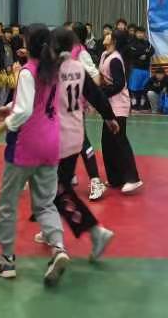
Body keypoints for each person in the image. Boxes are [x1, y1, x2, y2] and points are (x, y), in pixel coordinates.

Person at [0, 25, 70, 285]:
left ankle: (7, 262)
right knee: (45, 203)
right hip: (51, 141)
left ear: (28, 44)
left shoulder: (28, 71)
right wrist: (10, 106)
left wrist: (3, 125)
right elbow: (35, 102)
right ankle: (58, 248)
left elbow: (25, 111)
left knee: (7, 204)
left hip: (25, 144)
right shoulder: (54, 69)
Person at [33, 27, 117, 262]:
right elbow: (96, 95)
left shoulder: (49, 70)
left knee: (55, 190)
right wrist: (109, 117)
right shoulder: (79, 68)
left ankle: (96, 231)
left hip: (54, 138)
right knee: (57, 187)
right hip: (75, 135)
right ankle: (49, 228)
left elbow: (34, 102)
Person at [99, 29, 143, 193]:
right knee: (107, 142)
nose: (106, 35)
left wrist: (101, 94)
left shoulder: (116, 59)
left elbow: (119, 84)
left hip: (118, 105)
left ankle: (133, 178)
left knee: (120, 141)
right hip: (108, 104)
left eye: (110, 34)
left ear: (114, 40)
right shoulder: (105, 55)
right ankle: (115, 178)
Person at [71, 22, 107, 201]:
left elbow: (95, 76)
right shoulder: (64, 52)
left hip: (76, 106)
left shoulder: (82, 53)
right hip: (63, 107)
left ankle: (95, 180)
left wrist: (92, 99)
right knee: (67, 141)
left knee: (82, 141)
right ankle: (69, 175)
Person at [127, 27, 154, 110]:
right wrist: (142, 53)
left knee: (144, 87)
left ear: (144, 34)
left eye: (142, 33)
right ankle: (134, 104)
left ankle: (142, 104)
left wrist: (146, 55)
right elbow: (131, 52)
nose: (140, 34)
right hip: (136, 68)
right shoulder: (132, 42)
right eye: (138, 33)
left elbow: (152, 51)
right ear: (135, 33)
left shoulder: (147, 43)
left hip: (145, 69)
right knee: (133, 87)